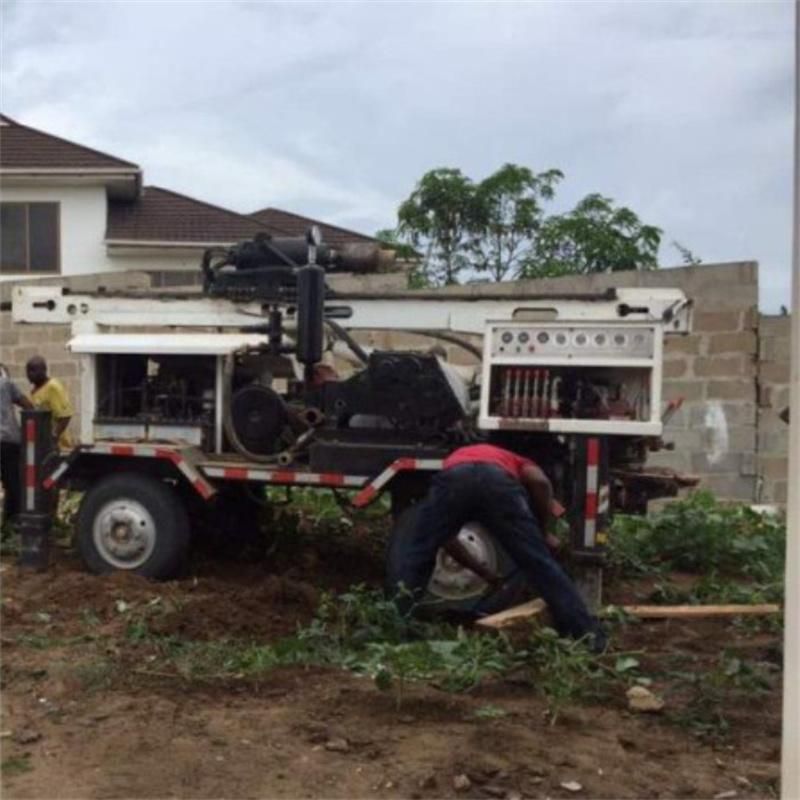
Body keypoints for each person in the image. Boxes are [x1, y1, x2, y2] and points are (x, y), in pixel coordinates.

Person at [387, 443, 606, 649]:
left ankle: (395, 629)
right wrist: (542, 533)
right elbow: (539, 482)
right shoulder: (517, 460)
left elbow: (447, 539)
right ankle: (586, 635)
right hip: (497, 481)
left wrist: (485, 574)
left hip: (455, 477)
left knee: (417, 555)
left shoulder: (460, 455)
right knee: (539, 563)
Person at [0, 365, 34, 527]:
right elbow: (27, 404)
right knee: (13, 483)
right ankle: (15, 522)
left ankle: (8, 521)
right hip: (8, 440)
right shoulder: (6, 384)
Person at [25, 356, 74, 449]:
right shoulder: (34, 391)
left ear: (44, 370)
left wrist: (54, 437)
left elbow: (66, 415)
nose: (29, 374)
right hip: (40, 443)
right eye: (27, 371)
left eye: (33, 370)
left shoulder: (53, 387)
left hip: (57, 446)